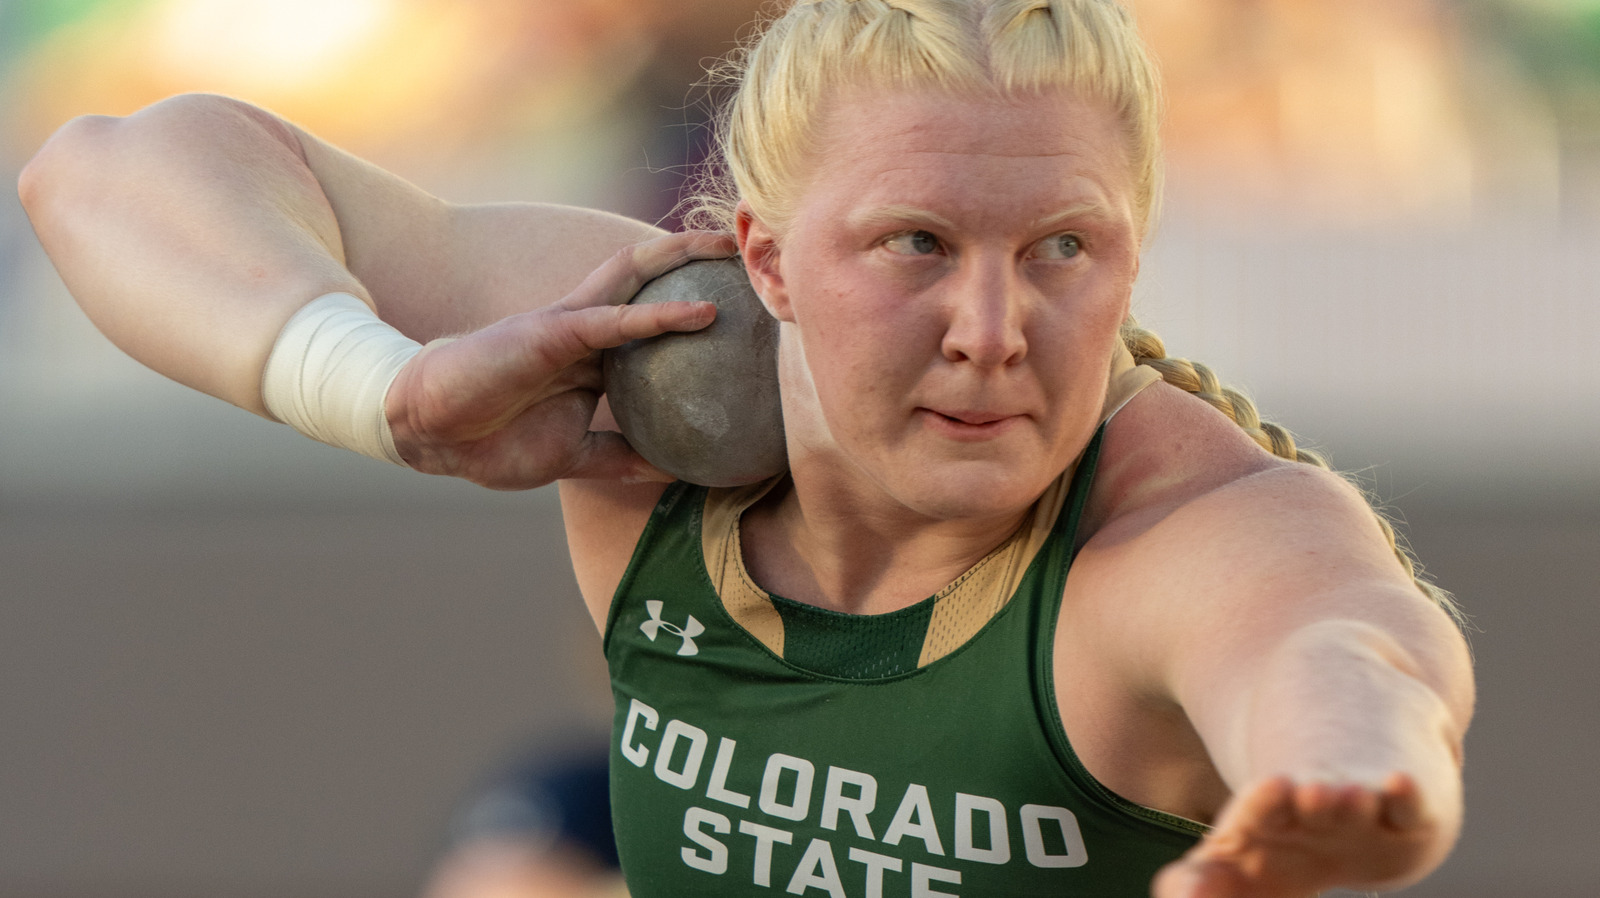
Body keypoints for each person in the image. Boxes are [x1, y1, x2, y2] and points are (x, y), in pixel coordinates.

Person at [18, 1, 1473, 895]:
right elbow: (103, 172)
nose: (992, 329)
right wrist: (387, 391)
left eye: (1062, 249)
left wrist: (1346, 769)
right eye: (915, 242)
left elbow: (1345, 645)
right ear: (766, 257)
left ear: (1131, 256)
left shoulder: (1177, 527)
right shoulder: (652, 354)